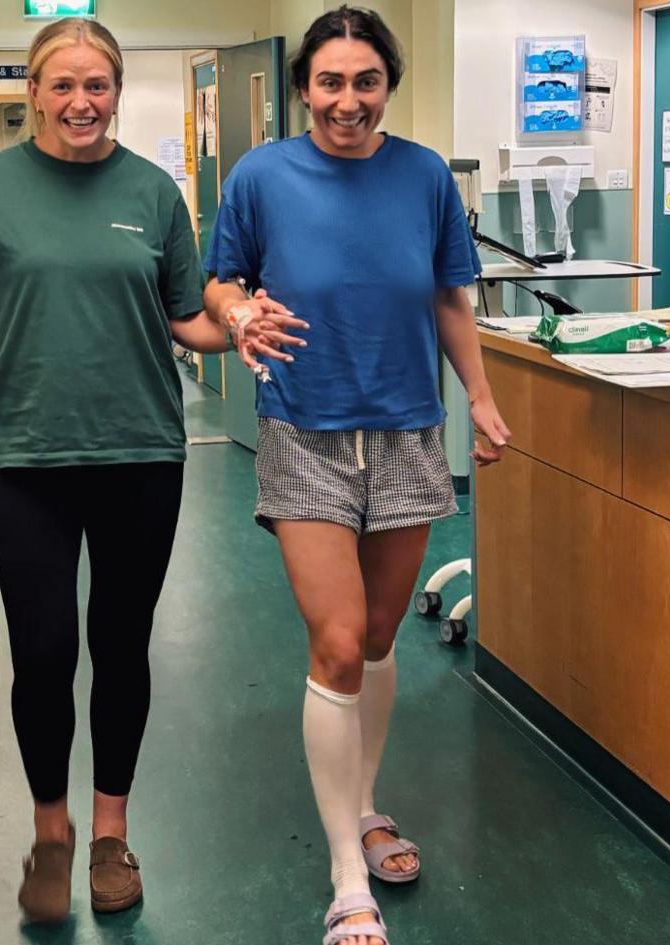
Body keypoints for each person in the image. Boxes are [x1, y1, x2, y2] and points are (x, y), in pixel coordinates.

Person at [0, 16, 243, 924]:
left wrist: (246, 326)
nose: (80, 102)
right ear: (32, 92)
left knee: (122, 647)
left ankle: (110, 835)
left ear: (118, 89)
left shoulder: (154, 192)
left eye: (96, 85)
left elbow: (188, 316)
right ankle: (50, 833)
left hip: (142, 452)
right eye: (61, 85)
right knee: (44, 654)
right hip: (27, 458)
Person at [201, 8, 512, 945]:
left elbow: (451, 295)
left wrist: (482, 397)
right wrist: (238, 312)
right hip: (305, 431)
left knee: (380, 638)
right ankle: (347, 871)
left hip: (410, 430)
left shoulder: (422, 176)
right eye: (330, 82)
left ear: (388, 84)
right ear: (304, 88)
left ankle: (366, 803)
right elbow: (220, 284)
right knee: (335, 642)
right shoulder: (261, 175)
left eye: (365, 81)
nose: (347, 100)